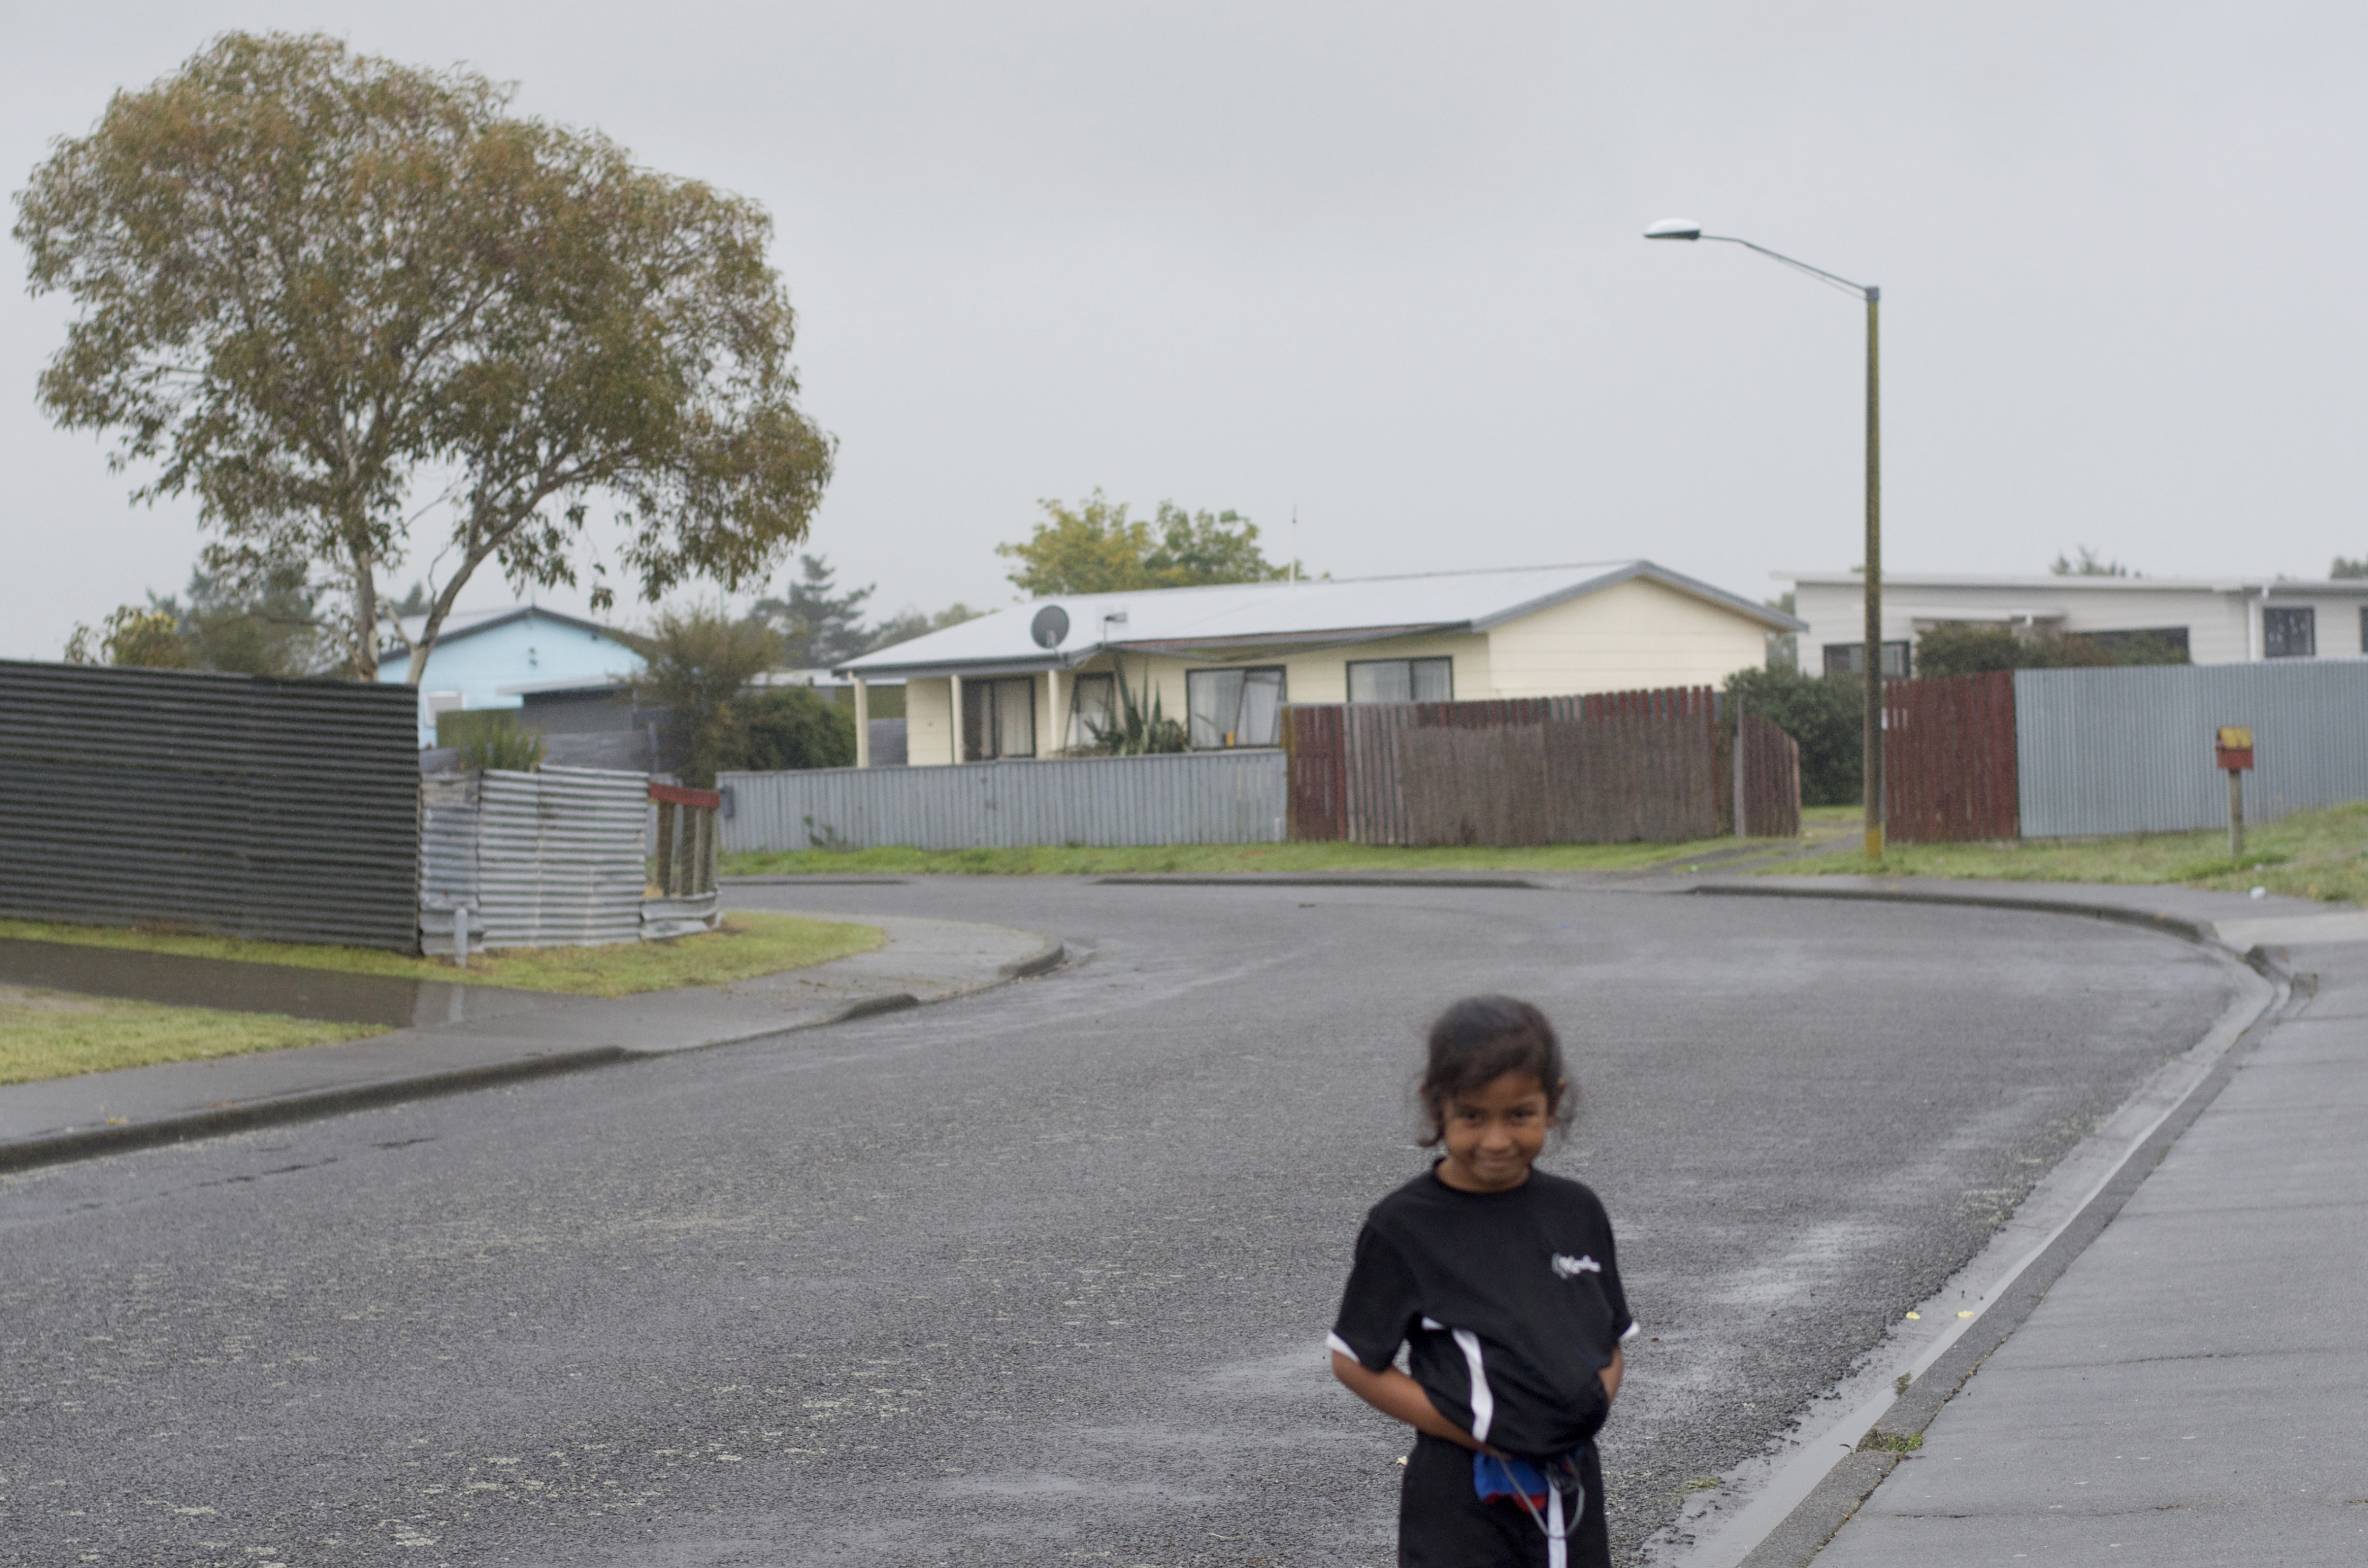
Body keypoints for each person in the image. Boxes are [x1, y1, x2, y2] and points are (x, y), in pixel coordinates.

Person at [1328, 995, 1637, 1568]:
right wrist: (1478, 1431)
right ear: (1435, 1104)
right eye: (1472, 1116)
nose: (1496, 1140)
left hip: (1568, 1483)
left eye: (1519, 1114)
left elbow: (1609, 1338)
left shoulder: (1576, 1211)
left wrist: (1581, 1411)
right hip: (1458, 1495)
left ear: (1552, 1103)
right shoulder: (1404, 1225)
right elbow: (1352, 1359)